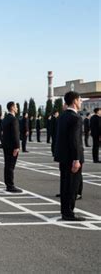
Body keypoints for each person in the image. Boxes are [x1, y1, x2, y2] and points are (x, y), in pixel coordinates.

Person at [54, 91, 85, 221]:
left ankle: (65, 211)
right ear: (75, 101)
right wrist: (76, 159)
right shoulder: (76, 118)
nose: (81, 102)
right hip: (72, 158)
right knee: (72, 186)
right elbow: (75, 140)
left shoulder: (62, 116)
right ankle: (69, 213)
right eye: (80, 99)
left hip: (63, 157)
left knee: (65, 185)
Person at [2, 102, 22, 192]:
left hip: (6, 145)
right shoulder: (13, 119)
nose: (17, 108)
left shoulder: (5, 118)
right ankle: (10, 185)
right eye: (16, 107)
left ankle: (8, 184)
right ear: (12, 108)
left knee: (7, 165)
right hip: (12, 146)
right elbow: (15, 134)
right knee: (10, 166)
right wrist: (17, 146)